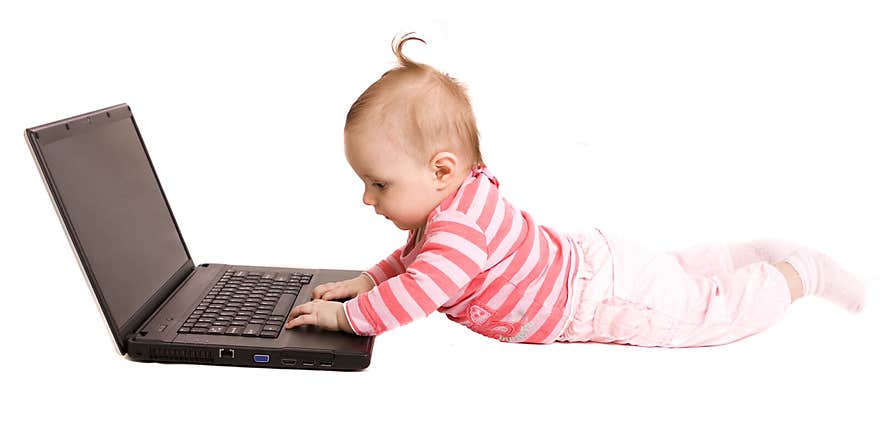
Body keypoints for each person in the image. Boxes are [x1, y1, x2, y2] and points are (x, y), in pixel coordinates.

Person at [284, 32, 867, 347]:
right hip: (593, 262)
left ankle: (795, 277)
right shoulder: (453, 208)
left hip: (595, 299)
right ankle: (752, 254)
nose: (368, 199)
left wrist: (350, 318)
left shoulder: (455, 233)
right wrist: (366, 280)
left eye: (378, 184)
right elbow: (411, 264)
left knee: (699, 315)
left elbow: (418, 292)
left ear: (441, 170)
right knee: (678, 271)